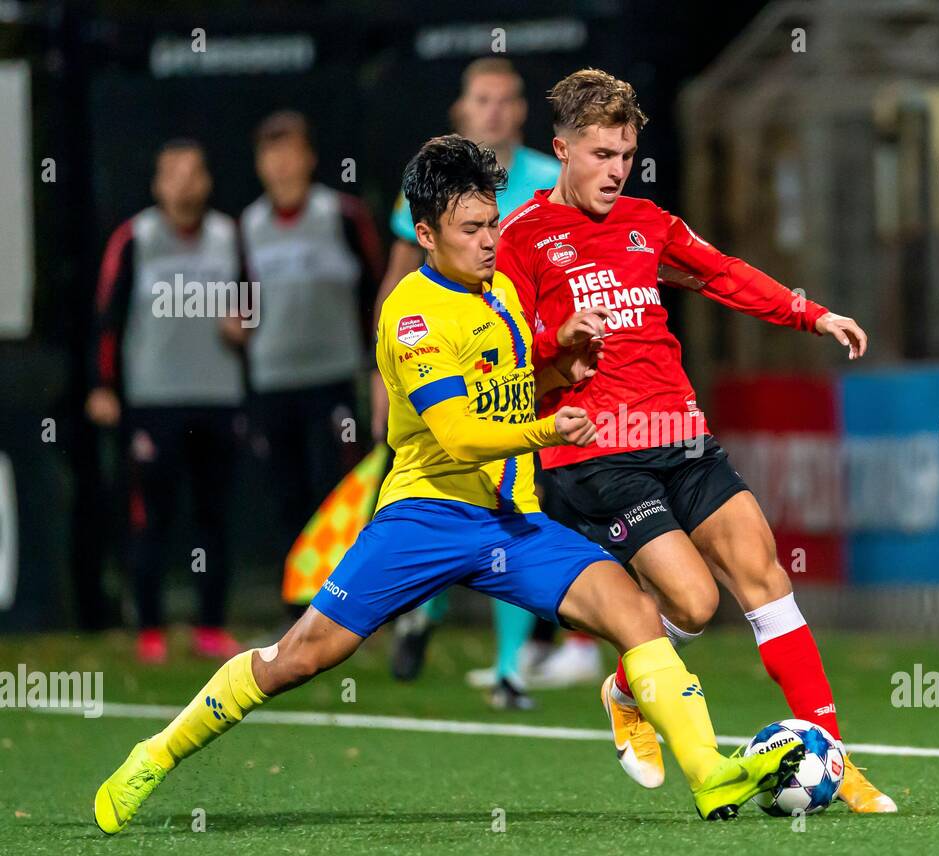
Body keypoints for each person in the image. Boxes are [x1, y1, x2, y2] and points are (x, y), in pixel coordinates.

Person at [94, 136, 804, 830]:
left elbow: (514, 384)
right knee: (300, 657)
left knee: (634, 613)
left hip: (507, 521)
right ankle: (153, 755)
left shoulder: (499, 291)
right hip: (424, 517)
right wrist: (549, 430)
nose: (491, 240)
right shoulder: (411, 316)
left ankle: (709, 771)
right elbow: (461, 434)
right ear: (426, 234)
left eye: (493, 223)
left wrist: (561, 366)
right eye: (472, 228)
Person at [496, 69, 897, 812]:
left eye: (625, 154)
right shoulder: (521, 239)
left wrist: (811, 314)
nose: (616, 170)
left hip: (679, 432)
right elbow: (509, 357)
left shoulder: (648, 223)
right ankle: (628, 688)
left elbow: (722, 276)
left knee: (764, 572)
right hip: (597, 451)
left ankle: (835, 759)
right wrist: (557, 343)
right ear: (560, 151)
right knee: (691, 601)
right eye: (600, 155)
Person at [373, 57, 599, 703]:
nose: (494, 110)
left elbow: (574, 262)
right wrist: (381, 368)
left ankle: (507, 667)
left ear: (522, 109)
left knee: (512, 500)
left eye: (505, 99)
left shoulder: (546, 179)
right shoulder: (430, 183)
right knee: (460, 491)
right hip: (448, 362)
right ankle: (426, 608)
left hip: (526, 357)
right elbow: (399, 278)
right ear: (462, 110)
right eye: (482, 99)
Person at [87, 139, 246, 664]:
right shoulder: (136, 237)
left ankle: (210, 626)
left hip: (218, 400)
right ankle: (150, 627)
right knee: (150, 518)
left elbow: (250, 306)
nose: (183, 183)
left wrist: (244, 326)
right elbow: (107, 318)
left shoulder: (229, 235)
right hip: (153, 405)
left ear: (207, 182)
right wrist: (103, 387)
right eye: (172, 173)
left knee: (214, 517)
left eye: (193, 172)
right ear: (158, 184)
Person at [239, 110, 384, 572]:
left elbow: (379, 289)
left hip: (335, 380)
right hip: (272, 382)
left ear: (309, 158)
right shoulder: (247, 226)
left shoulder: (342, 215)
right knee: (287, 495)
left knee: (341, 493)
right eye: (270, 153)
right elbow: (240, 294)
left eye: (289, 151)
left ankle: (351, 601)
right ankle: (297, 611)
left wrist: (378, 365)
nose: (280, 163)